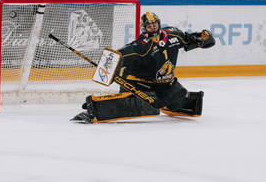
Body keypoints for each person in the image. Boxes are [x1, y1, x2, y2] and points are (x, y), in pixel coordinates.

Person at [71, 12, 215, 123]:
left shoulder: (174, 34)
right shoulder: (141, 45)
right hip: (138, 82)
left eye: (155, 24)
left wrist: (201, 40)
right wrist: (109, 68)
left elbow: (189, 39)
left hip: (163, 82)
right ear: (144, 28)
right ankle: (95, 109)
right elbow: (119, 55)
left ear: (159, 23)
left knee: (180, 96)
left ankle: (165, 103)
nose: (153, 27)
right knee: (144, 107)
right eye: (149, 26)